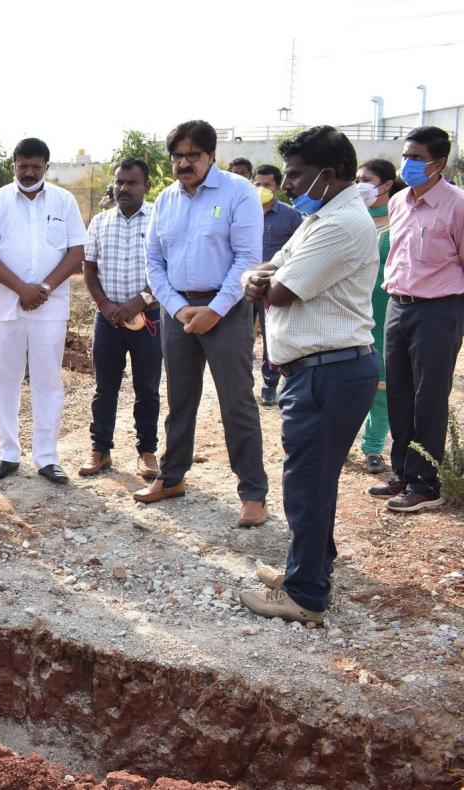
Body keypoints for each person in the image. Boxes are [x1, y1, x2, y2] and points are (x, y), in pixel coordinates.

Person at [238, 126, 379, 624]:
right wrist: (254, 277)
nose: (289, 185)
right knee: (315, 479)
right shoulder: (320, 217)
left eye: (296, 175)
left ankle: (305, 596)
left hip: (329, 371)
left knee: (307, 484)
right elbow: (268, 267)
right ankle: (312, 567)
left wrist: (260, 281)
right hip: (321, 370)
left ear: (330, 174)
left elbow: (279, 290)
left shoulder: (342, 224)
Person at [138, 120, 268, 528]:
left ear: (212, 155)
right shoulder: (165, 200)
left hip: (226, 309)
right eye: (177, 156)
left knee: (237, 401)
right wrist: (178, 308)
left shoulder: (238, 192)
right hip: (177, 310)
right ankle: (171, 476)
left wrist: (215, 309)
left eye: (193, 155)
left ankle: (253, 493)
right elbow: (153, 261)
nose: (184, 163)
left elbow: (248, 257)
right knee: (180, 398)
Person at [0, 137, 86, 485]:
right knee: (3, 380)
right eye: (23, 165)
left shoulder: (64, 201)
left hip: (49, 308)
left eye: (36, 166)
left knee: (47, 381)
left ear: (46, 167)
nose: (29, 172)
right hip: (4, 307)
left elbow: (76, 252)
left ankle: (47, 457)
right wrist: (21, 289)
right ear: (14, 166)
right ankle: (8, 454)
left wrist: (45, 288)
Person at [371, 126, 464, 513]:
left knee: (429, 396)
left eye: (416, 158)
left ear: (438, 163)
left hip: (439, 309)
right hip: (398, 305)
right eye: (405, 155)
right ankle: (404, 472)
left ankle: (426, 483)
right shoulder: (399, 202)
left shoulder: (457, 205)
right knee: (399, 391)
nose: (407, 163)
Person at [79, 158, 161, 480]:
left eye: (132, 182)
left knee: (147, 389)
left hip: (149, 319)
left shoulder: (159, 219)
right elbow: (89, 269)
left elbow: (169, 269)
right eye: (119, 182)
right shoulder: (100, 222)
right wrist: (104, 304)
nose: (124, 188)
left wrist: (140, 300)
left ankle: (147, 452)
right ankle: (100, 450)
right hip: (108, 320)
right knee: (105, 388)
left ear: (146, 186)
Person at [355, 159, 403, 475]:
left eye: (367, 179)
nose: (360, 185)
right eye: (357, 179)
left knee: (383, 384)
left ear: (386, 184)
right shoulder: (349, 217)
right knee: (347, 379)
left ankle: (373, 446)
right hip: (349, 309)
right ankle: (339, 440)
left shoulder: (401, 219)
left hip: (385, 310)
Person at [251, 164, 304, 406]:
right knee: (240, 337)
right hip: (243, 286)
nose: (262, 189)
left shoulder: (291, 216)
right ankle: (242, 383)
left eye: (267, 185)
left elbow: (298, 252)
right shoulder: (243, 212)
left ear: (277, 187)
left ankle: (270, 383)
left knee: (271, 334)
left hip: (273, 288)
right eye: (257, 184)